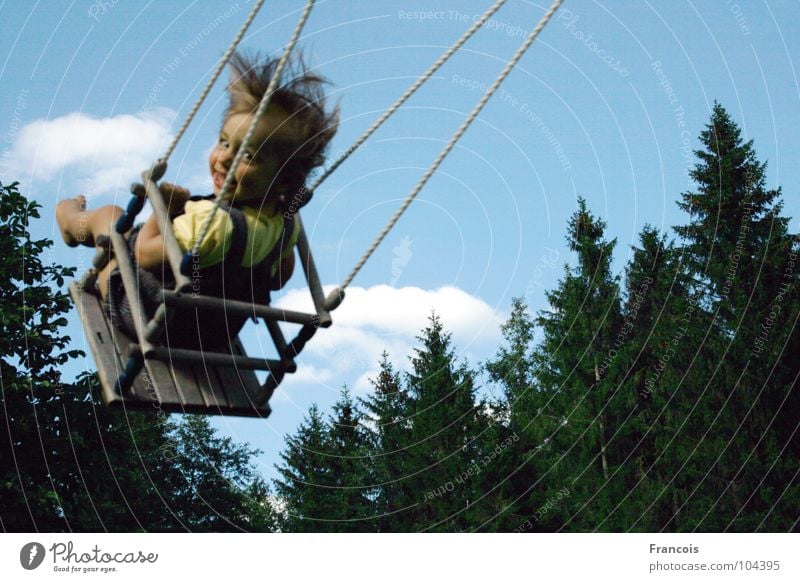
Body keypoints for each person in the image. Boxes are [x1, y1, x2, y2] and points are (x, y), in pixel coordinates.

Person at [56, 51, 339, 348]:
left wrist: (164, 210)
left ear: (282, 178)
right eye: (224, 142)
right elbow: (278, 277)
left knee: (112, 221)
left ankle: (70, 217)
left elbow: (144, 254)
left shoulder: (211, 222)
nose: (224, 158)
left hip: (149, 317)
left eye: (248, 155)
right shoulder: (284, 225)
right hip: (215, 335)